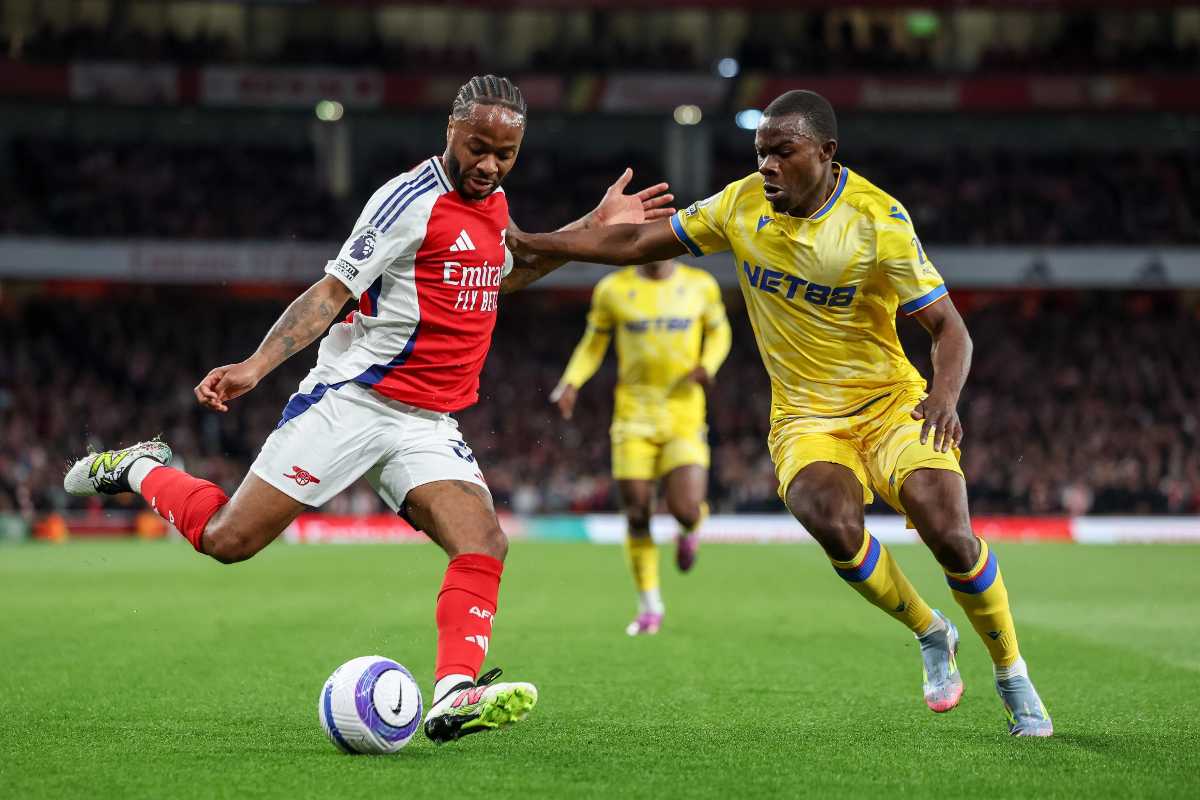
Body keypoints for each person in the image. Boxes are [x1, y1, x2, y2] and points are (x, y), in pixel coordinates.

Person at [64, 75, 675, 745]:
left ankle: (454, 694)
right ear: (451, 130)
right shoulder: (406, 200)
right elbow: (330, 294)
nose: (489, 165)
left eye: (505, 154)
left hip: (426, 422)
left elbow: (509, 269)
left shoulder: (494, 200)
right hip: (353, 401)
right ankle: (140, 467)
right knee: (227, 541)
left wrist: (590, 227)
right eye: (478, 148)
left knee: (483, 541)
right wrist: (255, 367)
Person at [507, 89, 1053, 737]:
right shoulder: (740, 205)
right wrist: (534, 240)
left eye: (782, 152)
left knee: (950, 534)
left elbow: (949, 328)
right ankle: (930, 630)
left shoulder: (878, 220)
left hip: (890, 404)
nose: (766, 165)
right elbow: (634, 243)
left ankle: (1011, 671)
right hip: (805, 418)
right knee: (832, 522)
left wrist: (943, 397)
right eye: (760, 152)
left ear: (825, 153)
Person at [552, 258, 730, 636]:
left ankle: (689, 529)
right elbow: (593, 344)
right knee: (636, 513)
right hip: (633, 417)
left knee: (685, 509)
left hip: (684, 415)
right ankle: (650, 606)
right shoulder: (612, 289)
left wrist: (708, 365)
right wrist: (571, 381)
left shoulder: (700, 285)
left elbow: (720, 332)